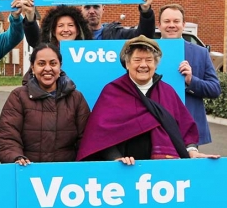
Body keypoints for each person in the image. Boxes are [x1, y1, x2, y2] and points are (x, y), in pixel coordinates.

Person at [76, 35, 219, 163]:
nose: (143, 65)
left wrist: (192, 151)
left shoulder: (167, 92)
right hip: (124, 169)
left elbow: (186, 128)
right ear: (127, 64)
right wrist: (116, 158)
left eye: (149, 60)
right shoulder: (112, 91)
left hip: (164, 171)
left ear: (156, 65)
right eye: (137, 60)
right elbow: (99, 135)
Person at [0, 43, 90, 164]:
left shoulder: (76, 98)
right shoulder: (18, 97)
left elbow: (87, 139)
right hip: (28, 172)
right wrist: (17, 157)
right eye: (41, 63)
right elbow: (7, 137)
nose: (47, 68)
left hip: (68, 177)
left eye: (53, 63)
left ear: (60, 66)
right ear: (32, 67)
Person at [158, 3, 221, 144]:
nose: (171, 25)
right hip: (156, 128)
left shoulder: (200, 53)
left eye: (176, 21)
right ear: (159, 25)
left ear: (184, 24)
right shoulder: (147, 51)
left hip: (189, 131)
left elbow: (215, 89)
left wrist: (191, 80)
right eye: (167, 21)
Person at [81, 0, 155, 40]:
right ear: (81, 10)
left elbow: (144, 37)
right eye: (87, 7)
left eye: (96, 7)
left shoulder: (116, 34)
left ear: (103, 9)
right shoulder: (74, 35)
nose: (91, 11)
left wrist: (146, 11)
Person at [23, 5, 93, 48]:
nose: (66, 30)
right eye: (60, 25)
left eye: (70, 25)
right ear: (54, 32)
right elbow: (34, 39)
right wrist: (30, 15)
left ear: (77, 31)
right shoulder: (46, 51)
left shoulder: (89, 52)